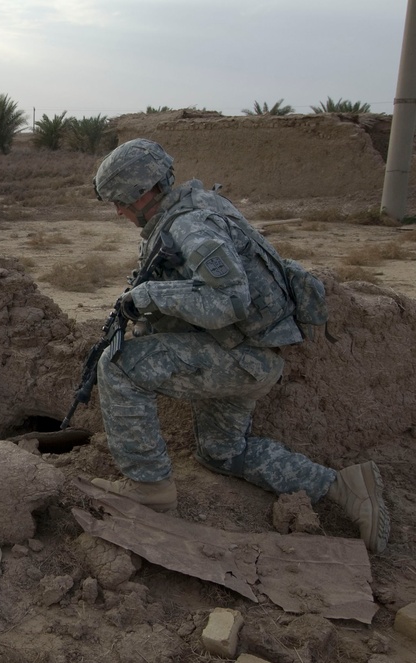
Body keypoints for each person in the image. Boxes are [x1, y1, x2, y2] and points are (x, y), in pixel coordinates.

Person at [88, 138, 390, 553]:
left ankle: (149, 487)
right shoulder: (197, 206)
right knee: (223, 453)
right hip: (248, 355)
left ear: (143, 192)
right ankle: (343, 488)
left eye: (119, 202)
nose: (118, 212)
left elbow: (231, 299)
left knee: (118, 364)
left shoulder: (190, 226)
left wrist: (151, 296)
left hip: (238, 357)